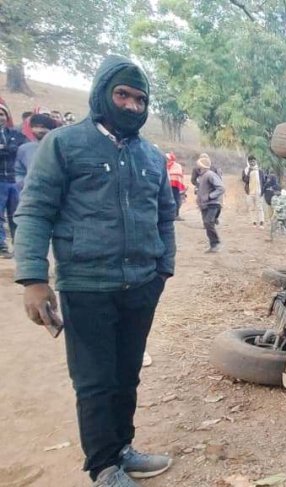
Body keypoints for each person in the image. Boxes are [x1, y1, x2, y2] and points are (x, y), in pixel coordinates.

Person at [13, 54, 176, 486]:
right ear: (102, 93)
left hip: (141, 284)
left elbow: (164, 215)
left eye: (140, 99)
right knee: (95, 380)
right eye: (122, 95)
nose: (131, 106)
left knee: (127, 373)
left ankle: (122, 447)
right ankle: (103, 467)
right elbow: (34, 213)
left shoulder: (152, 156)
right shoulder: (64, 145)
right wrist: (33, 279)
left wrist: (164, 269)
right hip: (86, 285)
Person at [0, 98, 27, 258]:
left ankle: (20, 247)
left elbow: (21, 149)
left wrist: (5, 148)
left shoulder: (15, 134)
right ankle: (1, 246)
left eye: (2, 114)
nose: (0, 117)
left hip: (15, 181)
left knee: (16, 215)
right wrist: (8, 149)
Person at [15, 113, 56, 191]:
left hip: (54, 192)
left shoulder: (59, 147)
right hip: (30, 193)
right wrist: (22, 183)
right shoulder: (24, 149)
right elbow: (19, 170)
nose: (39, 130)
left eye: (43, 127)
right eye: (35, 127)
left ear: (51, 129)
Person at [195, 154, 224, 253]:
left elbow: (221, 188)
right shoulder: (201, 176)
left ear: (202, 165)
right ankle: (213, 245)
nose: (197, 166)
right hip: (204, 204)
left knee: (208, 222)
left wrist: (210, 196)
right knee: (207, 224)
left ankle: (215, 243)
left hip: (213, 203)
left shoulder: (210, 174)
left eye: (199, 164)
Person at [241, 155, 265, 227]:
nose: (252, 163)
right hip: (250, 192)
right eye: (250, 161)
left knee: (260, 207)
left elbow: (263, 181)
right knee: (252, 208)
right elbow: (245, 180)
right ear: (248, 162)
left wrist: (262, 191)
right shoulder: (245, 170)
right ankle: (254, 222)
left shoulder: (260, 171)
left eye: (253, 161)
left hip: (258, 192)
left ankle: (261, 222)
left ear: (256, 161)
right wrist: (249, 172)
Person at [166, 152, 186, 220]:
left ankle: (176, 214)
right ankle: (170, 214)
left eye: (168, 158)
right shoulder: (164, 165)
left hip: (175, 186)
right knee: (167, 200)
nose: (167, 159)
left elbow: (179, 175)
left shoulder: (177, 166)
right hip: (166, 185)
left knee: (176, 200)